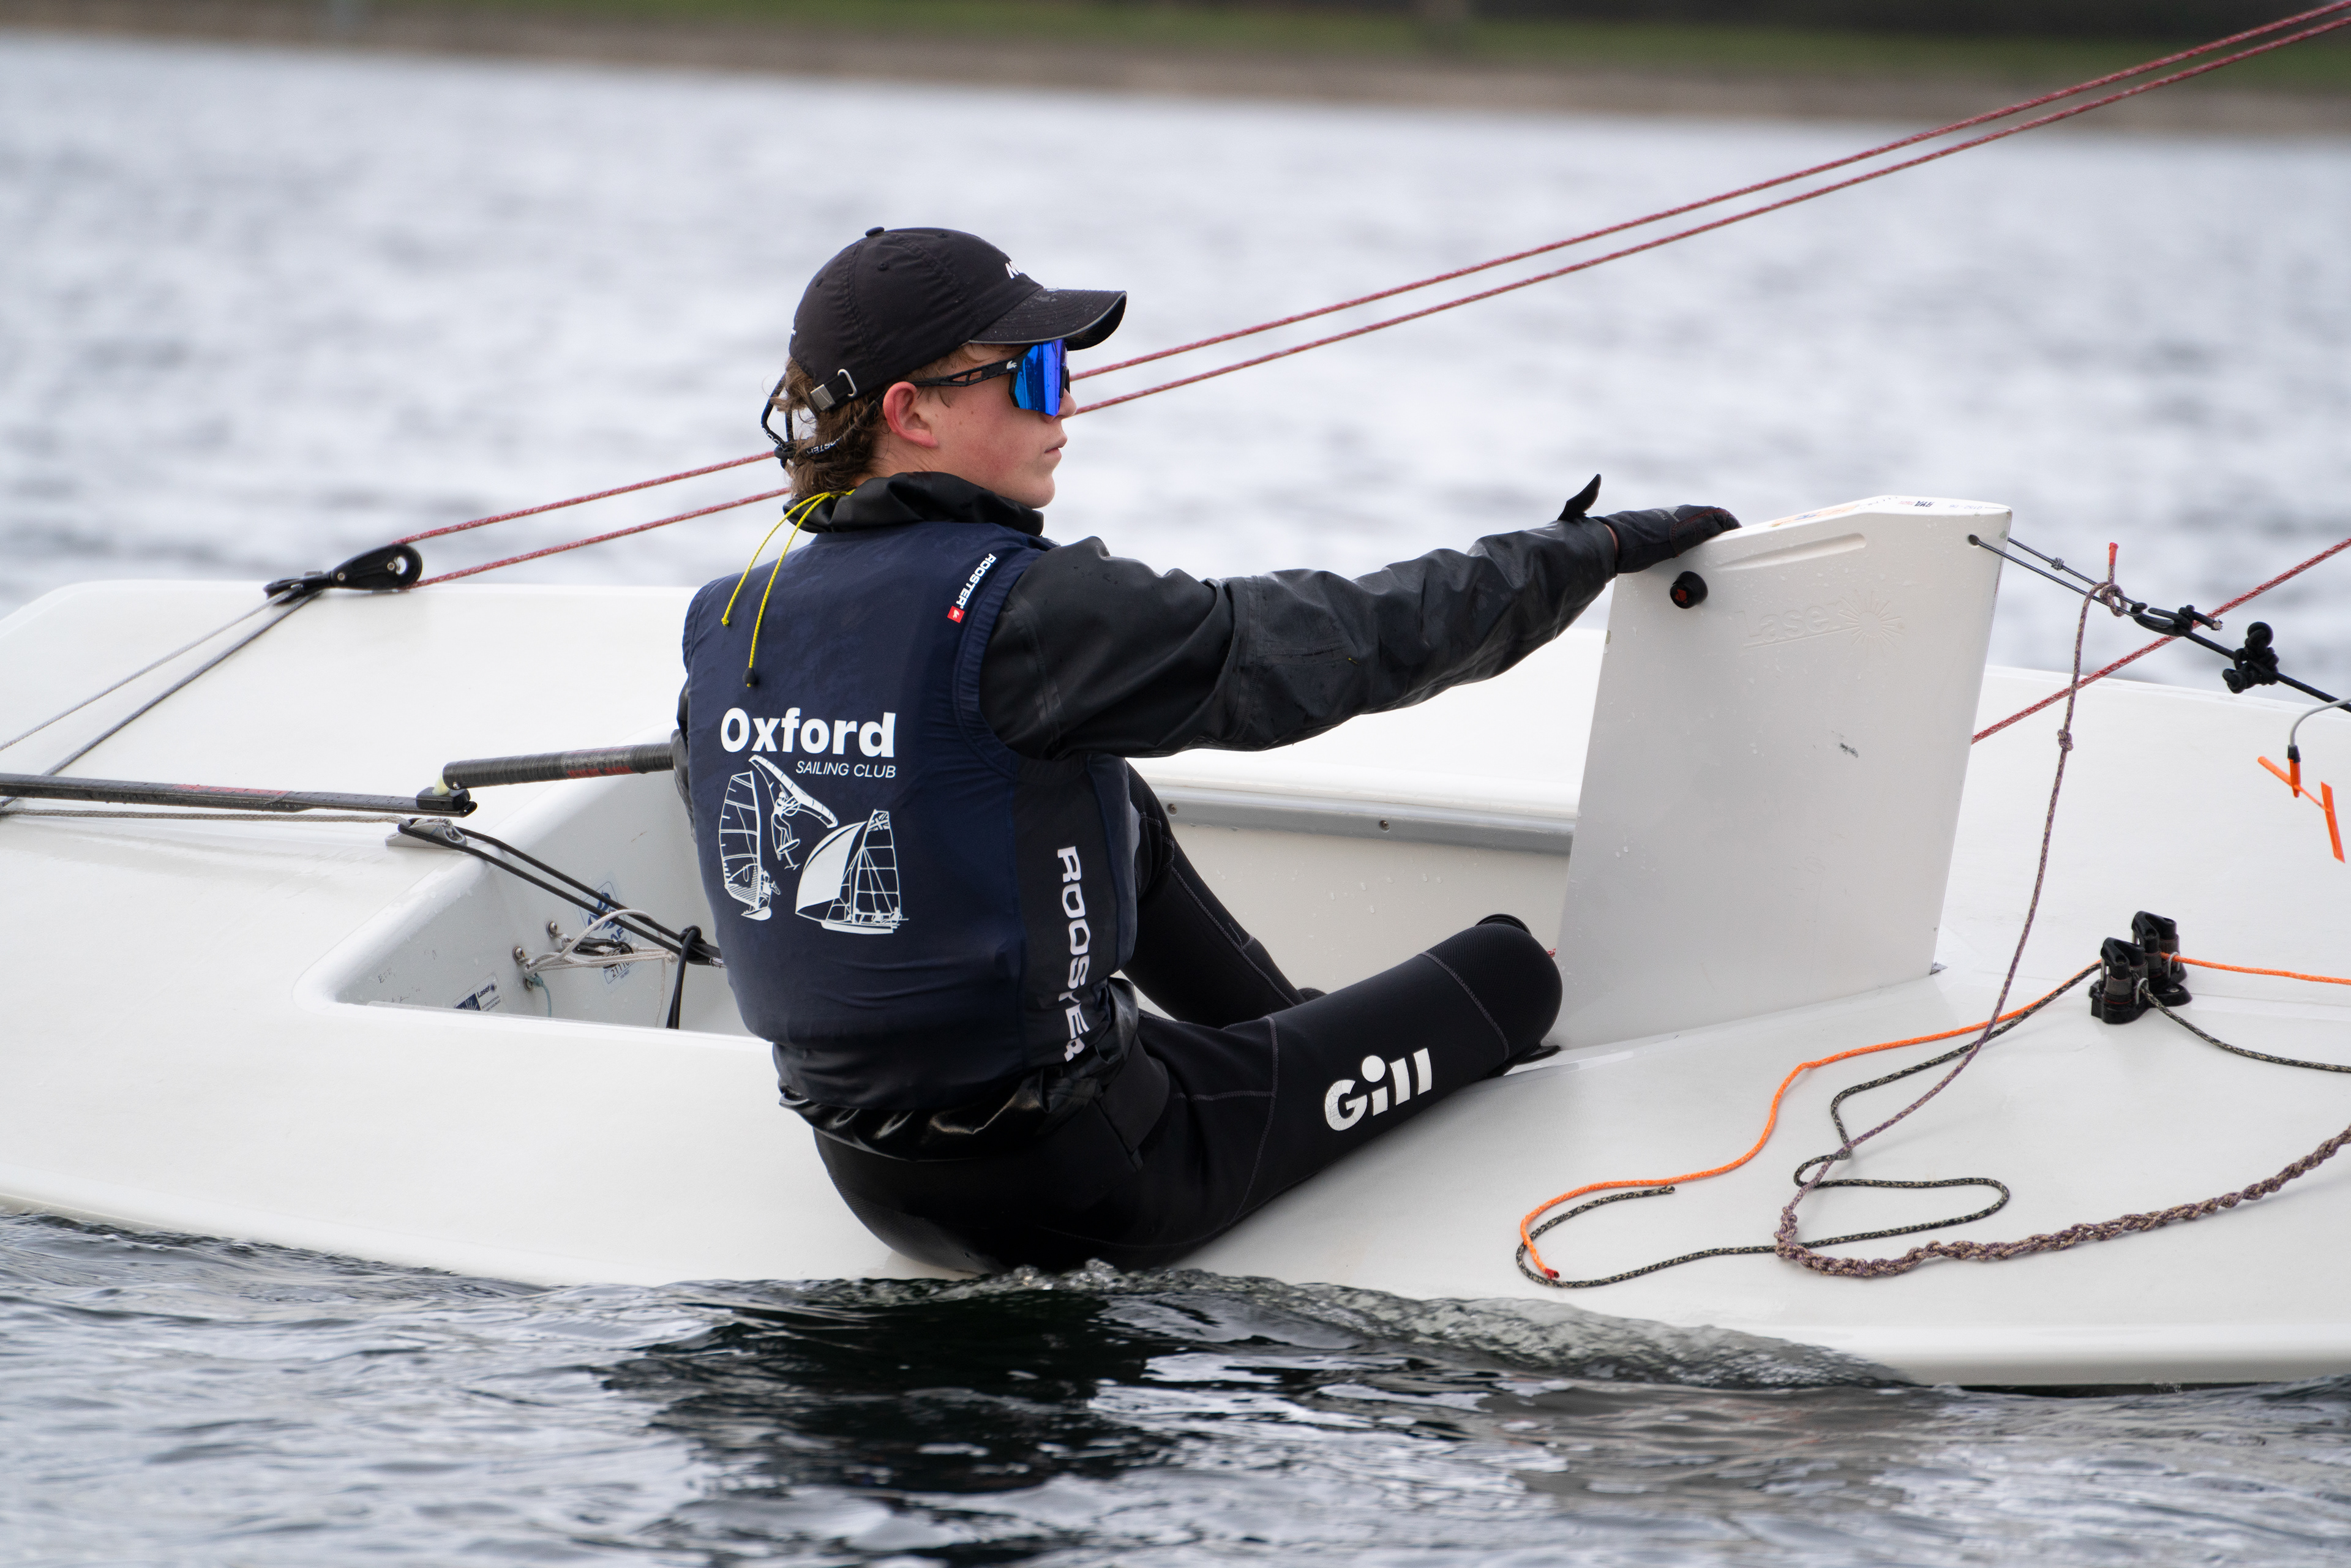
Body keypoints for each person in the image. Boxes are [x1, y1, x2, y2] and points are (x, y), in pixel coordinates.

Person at [678, 227, 1736, 1273]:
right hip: (1094, 1183)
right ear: (912, 413)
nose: (1067, 404)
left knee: (1098, 800)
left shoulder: (726, 620)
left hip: (871, 1179)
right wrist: (1580, 554)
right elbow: (1352, 641)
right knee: (1509, 971)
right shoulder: (1027, 615)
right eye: (1034, 375)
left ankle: (1288, 1035)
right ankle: (1304, 1060)